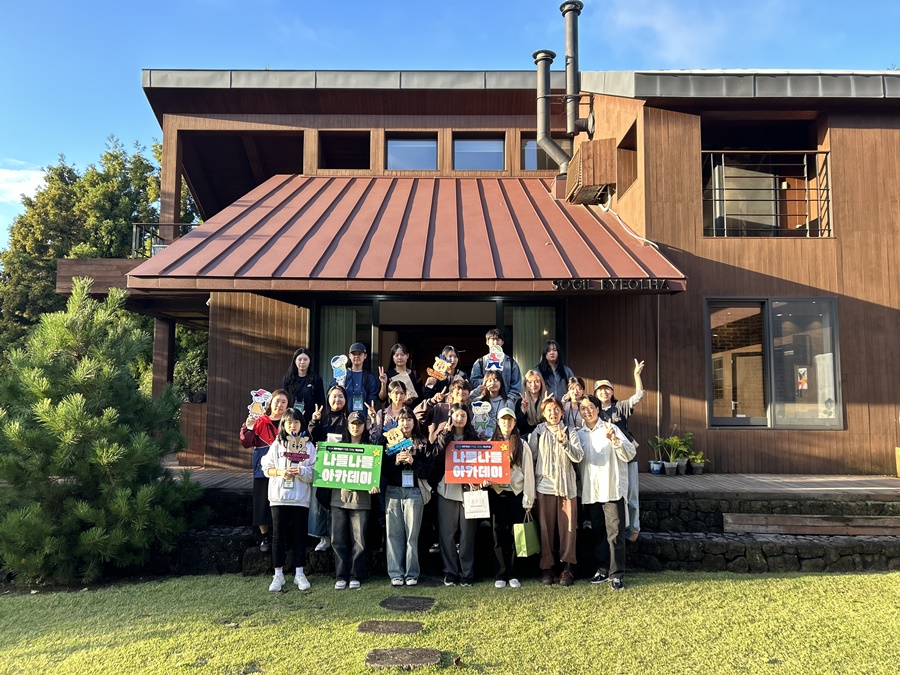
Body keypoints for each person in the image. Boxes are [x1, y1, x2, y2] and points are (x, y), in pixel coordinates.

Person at [577, 394, 636, 591]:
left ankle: (616, 574)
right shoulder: (579, 434)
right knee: (598, 533)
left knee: (615, 534)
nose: (587, 411)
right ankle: (602, 569)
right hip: (592, 492)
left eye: (590, 407)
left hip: (611, 489)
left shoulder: (611, 428)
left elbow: (630, 453)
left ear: (597, 408)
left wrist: (615, 441)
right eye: (583, 408)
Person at [372, 407, 431, 586]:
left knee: (412, 535)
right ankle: (396, 573)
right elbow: (383, 469)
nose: (405, 423)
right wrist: (396, 462)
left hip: (414, 491)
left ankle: (412, 573)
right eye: (402, 420)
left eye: (409, 419)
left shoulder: (422, 441)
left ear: (414, 422)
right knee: (393, 534)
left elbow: (429, 469)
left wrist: (414, 462)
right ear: (397, 422)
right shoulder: (389, 441)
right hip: (394, 490)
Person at [528, 397, 584, 586]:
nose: (553, 413)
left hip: (567, 487)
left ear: (562, 412)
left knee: (568, 529)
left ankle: (567, 568)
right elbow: (531, 458)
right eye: (549, 410)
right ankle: (547, 568)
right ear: (543, 414)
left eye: (556, 409)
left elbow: (578, 457)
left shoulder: (571, 432)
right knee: (545, 528)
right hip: (544, 486)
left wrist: (564, 443)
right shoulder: (537, 432)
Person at [260, 408, 316, 592]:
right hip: (279, 497)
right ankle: (278, 575)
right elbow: (266, 468)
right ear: (283, 425)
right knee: (278, 537)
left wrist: (302, 471)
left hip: (300, 498)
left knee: (299, 536)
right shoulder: (277, 445)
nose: (293, 425)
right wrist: (281, 472)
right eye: (289, 422)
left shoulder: (308, 446)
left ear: (302, 424)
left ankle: (299, 573)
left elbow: (315, 472)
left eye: (297, 422)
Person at [432, 403, 483, 586]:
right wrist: (445, 434)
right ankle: (450, 571)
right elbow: (435, 456)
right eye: (456, 415)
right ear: (450, 417)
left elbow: (481, 463)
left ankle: (467, 573)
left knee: (467, 534)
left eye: (463, 415)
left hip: (469, 490)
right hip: (447, 489)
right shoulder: (443, 434)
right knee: (447, 534)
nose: (459, 419)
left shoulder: (474, 438)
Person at [594, 359, 645, 541]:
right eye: (600, 389)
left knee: (631, 493)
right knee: (616, 495)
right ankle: (620, 527)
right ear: (595, 394)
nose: (604, 391)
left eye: (607, 388)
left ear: (612, 391)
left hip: (626, 455)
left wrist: (636, 376)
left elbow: (638, 396)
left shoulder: (621, 407)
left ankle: (634, 527)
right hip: (608, 460)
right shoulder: (594, 412)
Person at [485, 407, 535, 589]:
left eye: (510, 420)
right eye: (503, 420)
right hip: (497, 493)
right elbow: (485, 469)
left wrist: (529, 500)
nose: (506, 423)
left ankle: (513, 573)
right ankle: (500, 573)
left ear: (514, 423)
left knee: (516, 535)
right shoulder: (490, 443)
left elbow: (529, 473)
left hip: (516, 494)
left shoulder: (522, 444)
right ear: (498, 422)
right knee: (498, 534)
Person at [330, 411, 379, 590]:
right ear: (347, 425)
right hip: (339, 498)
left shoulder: (370, 447)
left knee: (359, 540)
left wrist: (374, 483)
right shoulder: (338, 446)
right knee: (338, 539)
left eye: (359, 423)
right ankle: (341, 575)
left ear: (364, 425)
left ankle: (356, 574)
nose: (355, 427)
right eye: (352, 423)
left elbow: (376, 471)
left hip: (361, 499)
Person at [239, 389, 289, 552]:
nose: (280, 404)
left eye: (284, 402)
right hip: (262, 469)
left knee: (283, 502)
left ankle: (281, 536)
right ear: (270, 402)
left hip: (285, 469)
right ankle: (264, 537)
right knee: (262, 504)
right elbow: (247, 442)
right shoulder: (260, 420)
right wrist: (247, 427)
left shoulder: (290, 421)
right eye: (277, 401)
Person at [308, 384, 350, 551]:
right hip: (323, 465)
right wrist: (313, 421)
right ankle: (323, 537)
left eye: (340, 396)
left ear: (345, 399)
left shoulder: (350, 418)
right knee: (320, 500)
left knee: (338, 502)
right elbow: (311, 439)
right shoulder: (322, 418)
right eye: (334, 396)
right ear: (328, 399)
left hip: (343, 465)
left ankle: (337, 537)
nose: (337, 399)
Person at [415, 376, 474, 443]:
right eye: (458, 388)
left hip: (463, 450)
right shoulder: (439, 407)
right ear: (451, 393)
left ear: (469, 394)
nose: (461, 391)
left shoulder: (472, 412)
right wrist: (432, 401)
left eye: (464, 389)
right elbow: (418, 414)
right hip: (439, 449)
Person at [470, 329, 522, 402]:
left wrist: (508, 400)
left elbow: (516, 385)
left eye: (498, 340)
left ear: (502, 342)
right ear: (487, 342)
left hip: (506, 402)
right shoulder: (480, 362)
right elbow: (473, 381)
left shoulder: (511, 362)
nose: (495, 343)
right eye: (492, 340)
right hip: (485, 402)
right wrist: (490, 381)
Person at [281, 347, 326, 431]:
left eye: (305, 359)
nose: (302, 362)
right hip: (292, 421)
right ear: (295, 361)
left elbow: (321, 401)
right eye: (300, 359)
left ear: (309, 361)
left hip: (310, 420)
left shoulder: (316, 379)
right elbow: (283, 399)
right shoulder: (287, 379)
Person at [331, 342, 379, 414]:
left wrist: (369, 418)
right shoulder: (342, 374)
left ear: (365, 356)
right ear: (349, 356)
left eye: (359, 354)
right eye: (354, 354)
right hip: (343, 417)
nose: (356, 356)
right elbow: (331, 394)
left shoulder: (369, 377)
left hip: (362, 418)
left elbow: (372, 398)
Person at [474, 369, 513, 441]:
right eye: (490, 380)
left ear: (501, 383)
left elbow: (511, 423)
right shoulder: (479, 401)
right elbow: (465, 401)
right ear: (485, 383)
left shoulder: (508, 402)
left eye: (496, 380)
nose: (493, 383)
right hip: (480, 441)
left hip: (501, 440)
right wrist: (477, 391)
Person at [517, 369, 548, 437]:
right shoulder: (520, 401)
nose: (533, 385)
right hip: (526, 438)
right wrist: (523, 411)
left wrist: (546, 407)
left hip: (543, 437)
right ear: (525, 384)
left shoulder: (547, 400)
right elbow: (518, 425)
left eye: (536, 381)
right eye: (530, 382)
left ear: (541, 383)